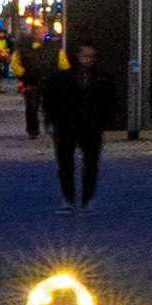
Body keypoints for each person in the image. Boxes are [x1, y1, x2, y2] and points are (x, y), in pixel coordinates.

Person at [42, 44, 111, 213]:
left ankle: (87, 199)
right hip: (66, 126)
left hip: (91, 126)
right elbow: (51, 102)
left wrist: (102, 123)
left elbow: (109, 102)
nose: (88, 60)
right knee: (66, 164)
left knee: (91, 164)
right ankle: (69, 198)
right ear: (77, 56)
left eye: (91, 56)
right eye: (84, 56)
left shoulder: (102, 78)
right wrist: (52, 122)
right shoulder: (62, 78)